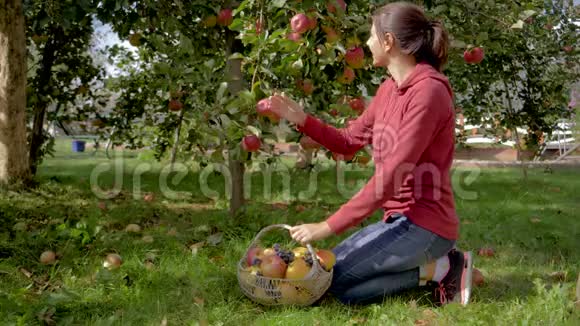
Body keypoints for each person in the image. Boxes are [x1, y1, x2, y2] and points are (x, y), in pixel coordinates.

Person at [267, 2, 473, 306]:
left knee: (331, 281)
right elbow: (349, 141)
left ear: (388, 41)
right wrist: (302, 119)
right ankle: (434, 269)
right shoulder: (389, 88)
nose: (366, 43)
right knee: (330, 281)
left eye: (371, 35)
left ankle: (445, 265)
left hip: (426, 225)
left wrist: (327, 226)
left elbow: (392, 175)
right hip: (397, 221)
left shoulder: (429, 92)